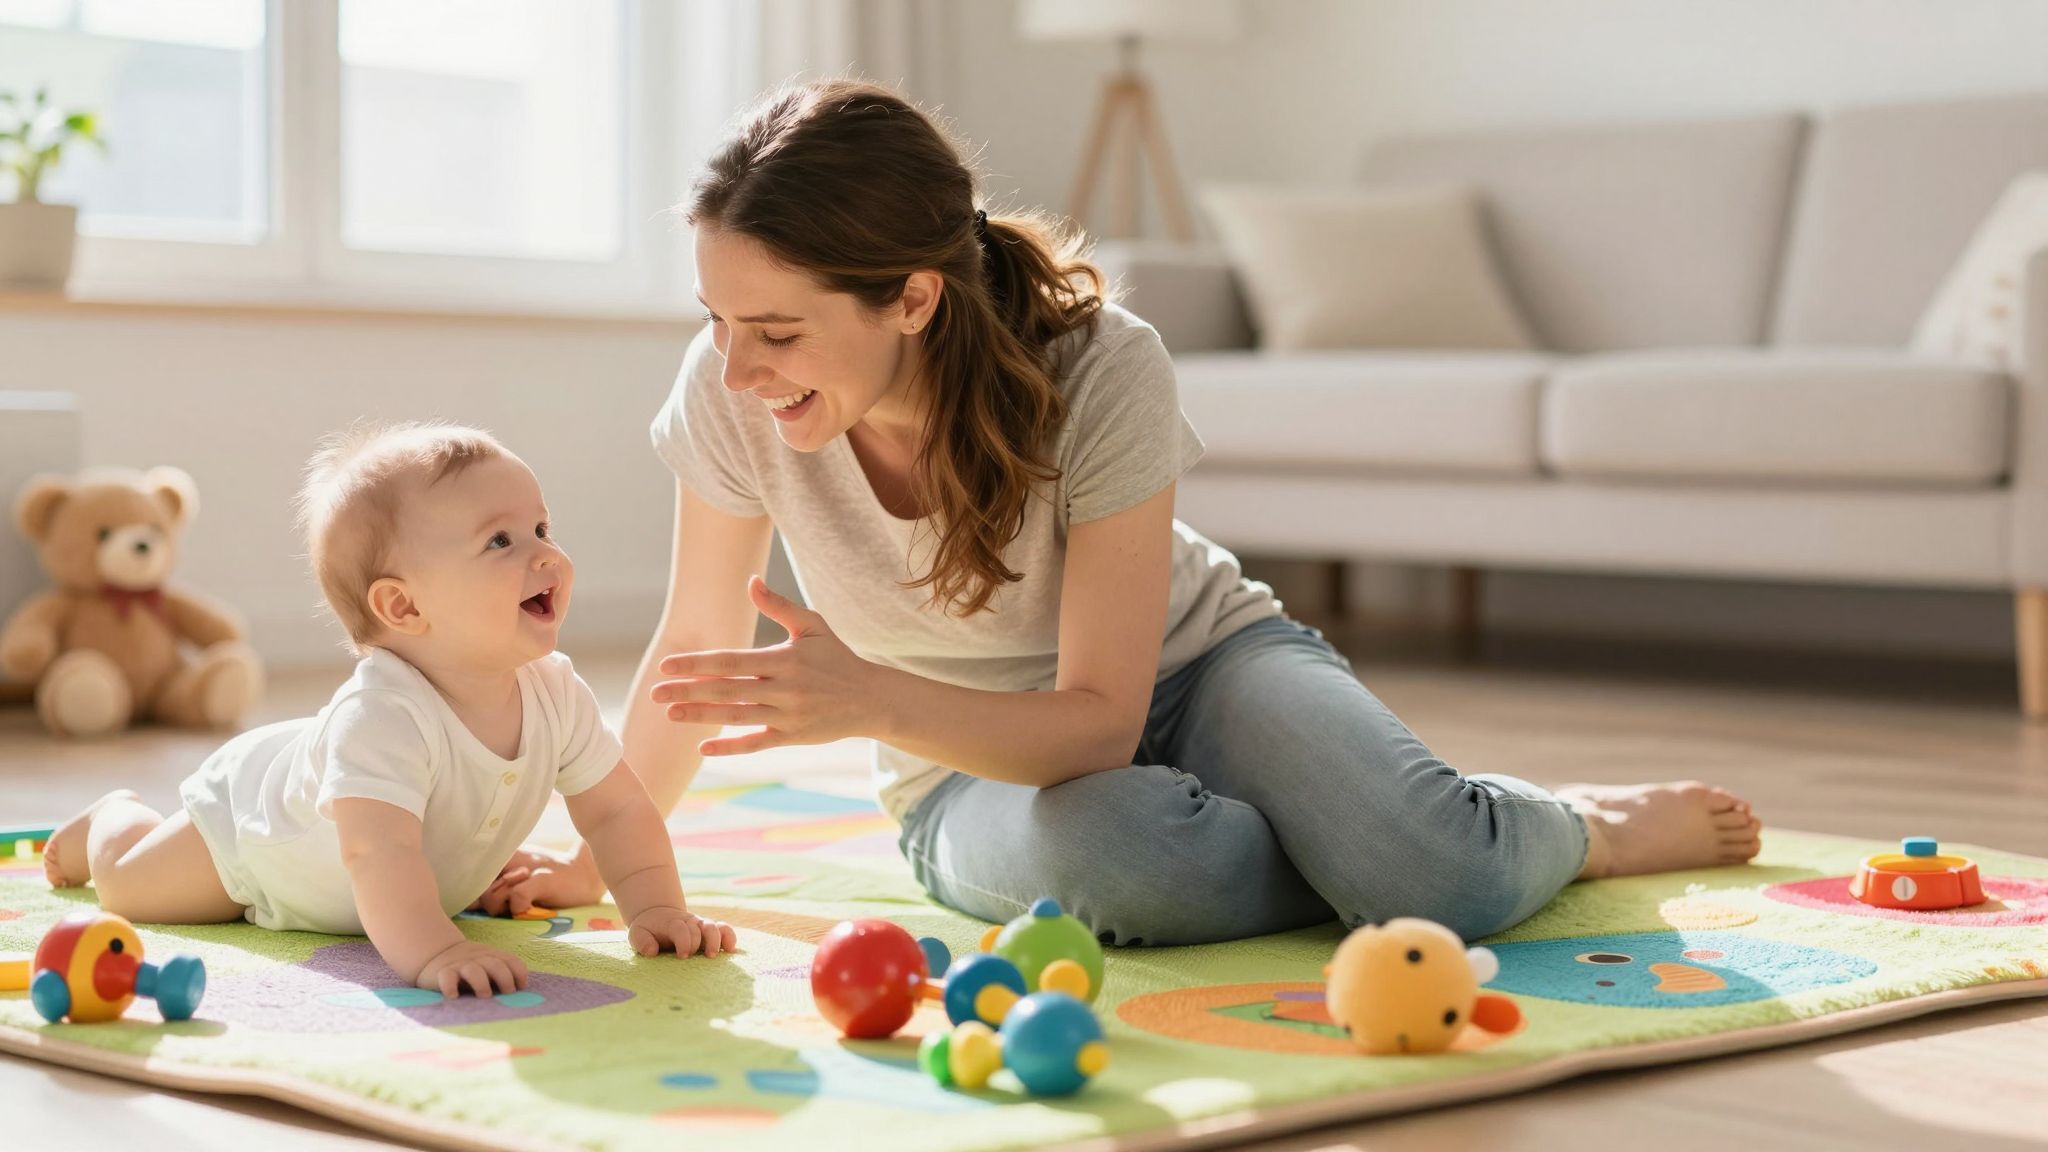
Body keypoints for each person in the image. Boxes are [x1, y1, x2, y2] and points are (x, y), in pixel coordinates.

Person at [486, 81, 1763, 945]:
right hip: (959, 773)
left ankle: (1567, 830)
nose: (735, 369)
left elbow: (1102, 716)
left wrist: (867, 696)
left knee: (1443, 883)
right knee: (1133, 866)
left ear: (914, 300)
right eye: (716, 321)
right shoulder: (730, 393)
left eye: (775, 331)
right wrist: (597, 861)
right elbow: (690, 648)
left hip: (1200, 667)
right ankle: (1374, 839)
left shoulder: (1102, 367)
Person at [44, 423, 736, 999]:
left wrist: (657, 909)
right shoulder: (382, 717)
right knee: (129, 888)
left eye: (541, 526)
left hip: (381, 866)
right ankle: (112, 818)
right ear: (403, 606)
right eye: (500, 541)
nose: (547, 554)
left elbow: (617, 812)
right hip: (252, 840)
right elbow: (378, 851)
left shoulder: (555, 692)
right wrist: (435, 949)